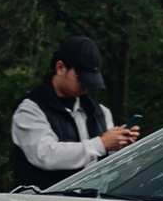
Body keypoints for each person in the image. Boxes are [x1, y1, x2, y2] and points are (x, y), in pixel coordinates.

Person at [11, 34, 141, 188]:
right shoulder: (30, 109)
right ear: (60, 68)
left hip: (91, 200)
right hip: (44, 200)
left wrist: (119, 143)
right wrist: (101, 144)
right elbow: (46, 155)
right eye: (81, 79)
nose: (85, 86)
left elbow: (110, 167)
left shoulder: (100, 112)